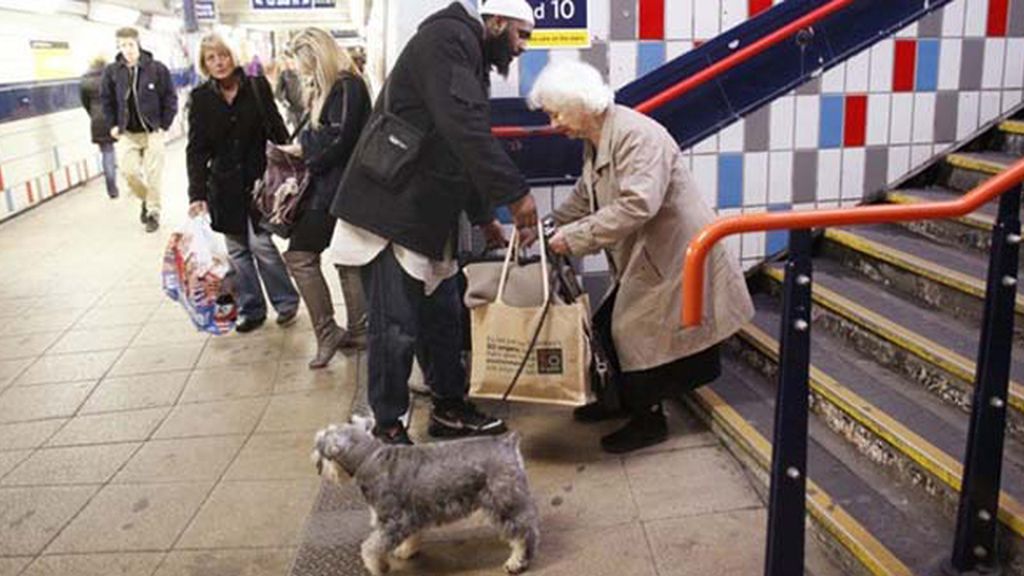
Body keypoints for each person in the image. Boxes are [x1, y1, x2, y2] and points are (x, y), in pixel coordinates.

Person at [330, 0, 538, 445]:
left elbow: (458, 145)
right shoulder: (447, 39)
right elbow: (462, 127)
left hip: (423, 212)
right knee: (394, 327)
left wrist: (484, 219)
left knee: (441, 319)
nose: (523, 46)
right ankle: (388, 427)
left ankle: (449, 408)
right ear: (496, 22)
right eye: (521, 34)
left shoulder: (467, 52)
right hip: (391, 211)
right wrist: (516, 195)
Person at [529, 60, 756, 454]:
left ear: (581, 103)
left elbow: (638, 204)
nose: (553, 124)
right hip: (650, 253)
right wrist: (548, 224)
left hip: (677, 253)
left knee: (632, 331)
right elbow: (586, 194)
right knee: (605, 325)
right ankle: (616, 401)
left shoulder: (638, 136)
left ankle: (649, 421)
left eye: (556, 113)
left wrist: (575, 237)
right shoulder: (598, 136)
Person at [186, 34, 300, 333]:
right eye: (211, 58)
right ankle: (252, 309)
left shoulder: (256, 87)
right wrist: (196, 194)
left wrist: (290, 164)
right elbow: (196, 149)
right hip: (223, 186)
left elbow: (276, 127)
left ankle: (286, 302)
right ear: (204, 64)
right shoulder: (200, 98)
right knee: (237, 251)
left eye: (223, 55)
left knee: (262, 244)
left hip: (260, 181)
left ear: (233, 56)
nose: (219, 63)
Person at [278, 28, 371, 369]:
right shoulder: (337, 86)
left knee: (300, 256)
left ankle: (331, 331)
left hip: (335, 189)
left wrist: (303, 149)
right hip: (338, 188)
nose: (301, 69)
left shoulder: (346, 86)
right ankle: (358, 330)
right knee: (348, 259)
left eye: (303, 62)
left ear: (317, 56)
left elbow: (338, 139)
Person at [100, 27, 177, 233]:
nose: (127, 49)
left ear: (138, 44)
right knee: (129, 172)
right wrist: (112, 124)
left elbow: (170, 97)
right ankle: (146, 199)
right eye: (123, 45)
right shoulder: (112, 72)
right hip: (127, 133)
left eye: (130, 44)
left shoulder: (157, 69)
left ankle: (153, 213)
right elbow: (106, 100)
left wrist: (164, 125)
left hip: (152, 132)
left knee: (153, 174)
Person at [80, 56, 118, 199]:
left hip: (97, 120)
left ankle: (111, 188)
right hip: (114, 118)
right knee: (129, 148)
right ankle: (136, 178)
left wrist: (93, 115)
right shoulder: (112, 76)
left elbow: (85, 103)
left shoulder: (85, 81)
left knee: (107, 153)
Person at [275, 56, 305, 130]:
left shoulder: (304, 72)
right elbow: (277, 93)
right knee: (298, 131)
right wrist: (285, 103)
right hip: (293, 110)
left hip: (305, 108)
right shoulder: (284, 74)